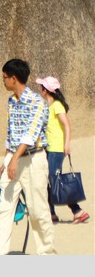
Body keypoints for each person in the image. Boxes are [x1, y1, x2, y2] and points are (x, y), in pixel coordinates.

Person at [0, 58, 55, 255]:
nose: (3, 81)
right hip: (14, 159)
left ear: (14, 78)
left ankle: (47, 255)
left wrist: (14, 159)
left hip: (34, 160)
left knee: (38, 211)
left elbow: (31, 134)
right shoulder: (11, 102)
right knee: (3, 208)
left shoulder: (37, 102)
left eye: (5, 77)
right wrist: (6, 159)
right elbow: (11, 134)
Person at [37, 75, 89, 224]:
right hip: (50, 148)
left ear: (46, 90)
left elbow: (67, 125)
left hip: (57, 149)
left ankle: (77, 211)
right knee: (48, 180)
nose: (40, 89)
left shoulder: (57, 105)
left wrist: (67, 145)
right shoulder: (50, 106)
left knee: (55, 181)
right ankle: (51, 214)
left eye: (42, 87)